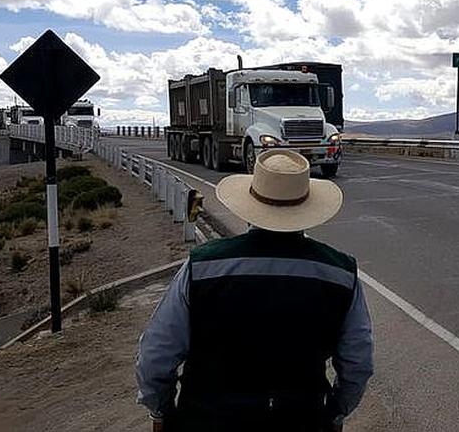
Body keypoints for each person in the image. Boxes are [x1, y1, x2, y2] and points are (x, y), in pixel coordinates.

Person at [135, 149, 373, 431]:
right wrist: (335, 411)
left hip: (208, 418)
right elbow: (358, 363)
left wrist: (161, 410)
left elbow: (156, 355)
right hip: (301, 419)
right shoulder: (341, 273)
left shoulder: (201, 266)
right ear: (307, 210)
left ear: (250, 207)